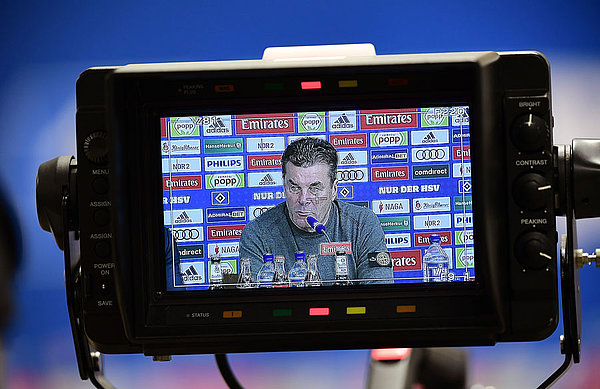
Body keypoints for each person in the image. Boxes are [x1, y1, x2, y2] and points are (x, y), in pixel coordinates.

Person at [239, 137, 393, 285]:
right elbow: (257, 306)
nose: (304, 199)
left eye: (315, 188)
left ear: (334, 189)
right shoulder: (258, 233)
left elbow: (378, 296)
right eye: (294, 187)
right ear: (284, 186)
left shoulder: (362, 225)